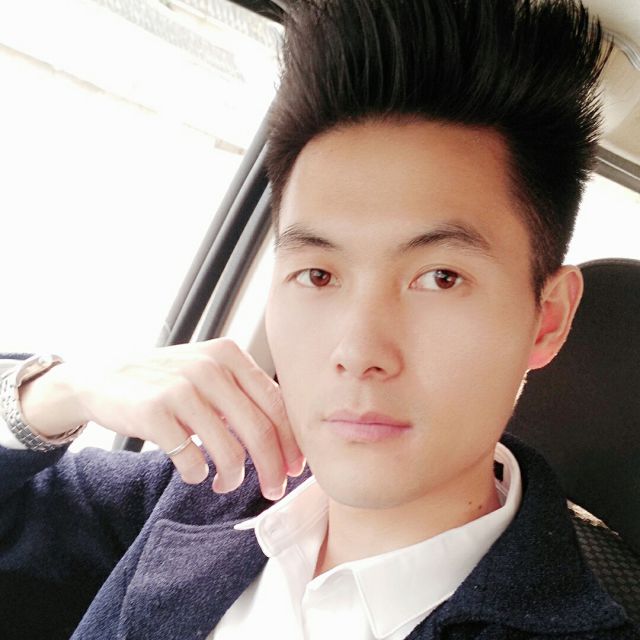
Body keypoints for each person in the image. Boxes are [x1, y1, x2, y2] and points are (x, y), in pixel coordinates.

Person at [0, 0, 636, 638]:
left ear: (547, 319)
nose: (358, 351)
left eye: (441, 278)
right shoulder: (201, 494)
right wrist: (60, 390)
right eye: (318, 275)